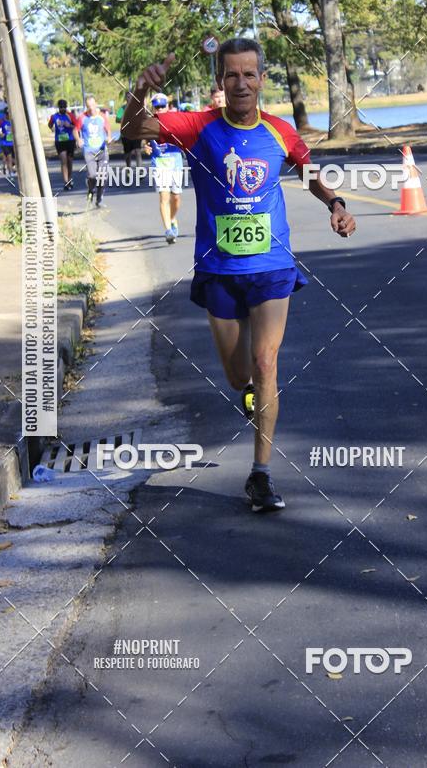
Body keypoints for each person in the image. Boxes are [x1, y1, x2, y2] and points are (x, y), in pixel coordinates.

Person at [121, 38, 356, 513]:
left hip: (271, 265)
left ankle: (261, 474)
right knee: (238, 375)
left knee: (266, 361)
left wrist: (336, 204)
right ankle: (249, 391)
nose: (242, 83)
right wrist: (137, 91)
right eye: (232, 75)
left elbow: (309, 171)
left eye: (250, 74)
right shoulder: (197, 127)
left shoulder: (279, 131)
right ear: (220, 82)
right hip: (219, 269)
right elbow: (131, 132)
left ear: (262, 79)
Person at [149, 93, 185, 243]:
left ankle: (172, 218)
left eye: (162, 106)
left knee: (175, 197)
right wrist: (146, 147)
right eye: (156, 107)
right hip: (159, 165)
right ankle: (168, 231)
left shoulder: (175, 121)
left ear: (167, 107)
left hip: (175, 163)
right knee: (164, 197)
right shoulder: (149, 123)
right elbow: (144, 142)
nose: (159, 110)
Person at [75, 95, 112, 208]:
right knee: (92, 176)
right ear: (86, 106)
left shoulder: (102, 117)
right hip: (89, 151)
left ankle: (99, 199)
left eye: (92, 105)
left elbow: (108, 128)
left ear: (96, 104)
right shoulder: (82, 117)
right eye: (88, 106)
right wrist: (78, 139)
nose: (91, 108)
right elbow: (75, 130)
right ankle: (91, 190)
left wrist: (109, 137)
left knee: (102, 177)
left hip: (101, 151)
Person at [48, 99, 77, 190]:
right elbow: (50, 125)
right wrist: (52, 129)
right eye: (61, 107)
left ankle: (70, 178)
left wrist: (69, 125)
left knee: (69, 161)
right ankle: (66, 182)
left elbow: (77, 126)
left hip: (70, 140)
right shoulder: (54, 116)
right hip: (59, 141)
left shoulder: (70, 116)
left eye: (64, 107)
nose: (63, 109)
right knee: (63, 161)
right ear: (58, 107)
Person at [117, 92, 144, 170]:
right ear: (126, 98)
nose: (129, 98)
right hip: (125, 135)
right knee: (128, 154)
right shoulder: (122, 108)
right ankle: (128, 169)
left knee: (138, 151)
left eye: (131, 97)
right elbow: (117, 119)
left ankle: (140, 170)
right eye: (128, 97)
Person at [0, 109, 15, 178]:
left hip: (13, 143)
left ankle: (9, 167)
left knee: (13, 158)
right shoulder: (2, 122)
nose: (9, 115)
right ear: (6, 114)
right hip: (5, 143)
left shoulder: (13, 121)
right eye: (7, 114)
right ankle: (10, 172)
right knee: (8, 157)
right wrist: (0, 135)